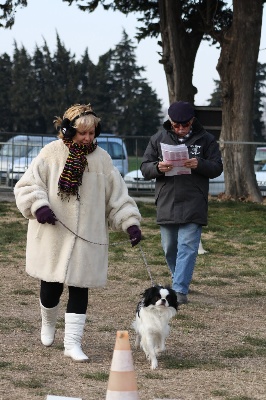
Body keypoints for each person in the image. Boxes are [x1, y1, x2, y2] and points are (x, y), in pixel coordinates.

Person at [14, 103, 142, 362]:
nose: (87, 138)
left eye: (92, 133)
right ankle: (48, 322)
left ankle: (72, 343)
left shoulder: (102, 159)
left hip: (88, 237)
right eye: (82, 133)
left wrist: (130, 223)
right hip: (53, 232)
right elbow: (28, 184)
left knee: (80, 289)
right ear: (68, 130)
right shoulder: (51, 153)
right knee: (50, 288)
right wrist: (39, 206)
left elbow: (117, 196)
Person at [140, 101, 223, 304]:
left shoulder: (207, 140)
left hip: (194, 200)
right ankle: (179, 278)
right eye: (176, 125)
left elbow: (217, 168)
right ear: (170, 121)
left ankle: (179, 289)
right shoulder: (158, 139)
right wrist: (158, 167)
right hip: (167, 199)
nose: (179, 129)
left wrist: (199, 164)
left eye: (184, 125)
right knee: (170, 247)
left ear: (192, 121)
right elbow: (145, 168)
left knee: (188, 245)